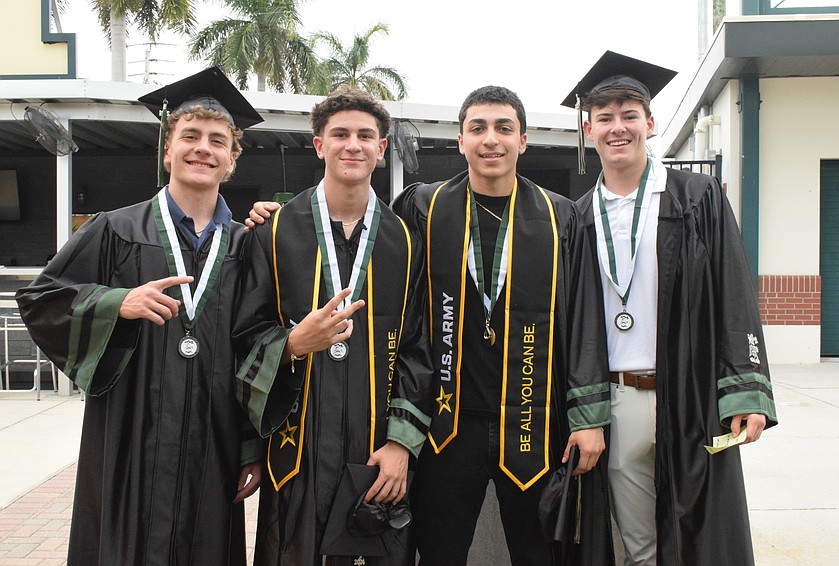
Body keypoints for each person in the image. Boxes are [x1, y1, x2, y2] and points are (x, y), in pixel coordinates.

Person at [15, 67, 265, 565]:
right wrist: (114, 303)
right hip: (129, 437)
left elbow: (255, 346)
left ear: (232, 160)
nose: (202, 149)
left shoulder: (246, 244)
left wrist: (250, 447)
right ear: (166, 149)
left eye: (218, 141)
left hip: (213, 443)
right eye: (189, 136)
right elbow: (41, 298)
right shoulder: (115, 229)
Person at [564, 50, 779, 565]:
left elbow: (734, 293)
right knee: (640, 544)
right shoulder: (576, 217)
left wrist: (745, 390)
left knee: (702, 534)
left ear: (650, 122)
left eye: (629, 115)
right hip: (616, 401)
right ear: (589, 129)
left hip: (690, 394)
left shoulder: (695, 196)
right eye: (605, 118)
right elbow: (570, 322)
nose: (618, 128)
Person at [390, 86, 613, 565]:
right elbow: (372, 255)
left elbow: (584, 319)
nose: (491, 140)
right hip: (446, 429)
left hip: (533, 424)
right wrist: (280, 216)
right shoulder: (424, 208)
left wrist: (589, 416)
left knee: (540, 555)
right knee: (439, 554)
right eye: (478, 128)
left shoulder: (560, 217)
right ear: (460, 141)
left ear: (524, 140)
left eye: (504, 128)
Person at [232, 87, 433, 565]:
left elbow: (420, 349)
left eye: (366, 136)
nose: (353, 145)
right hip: (296, 449)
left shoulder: (405, 240)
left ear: (382, 149)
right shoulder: (274, 232)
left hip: (376, 452)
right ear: (319, 144)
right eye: (339, 134)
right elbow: (241, 335)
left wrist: (401, 442)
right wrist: (292, 345)